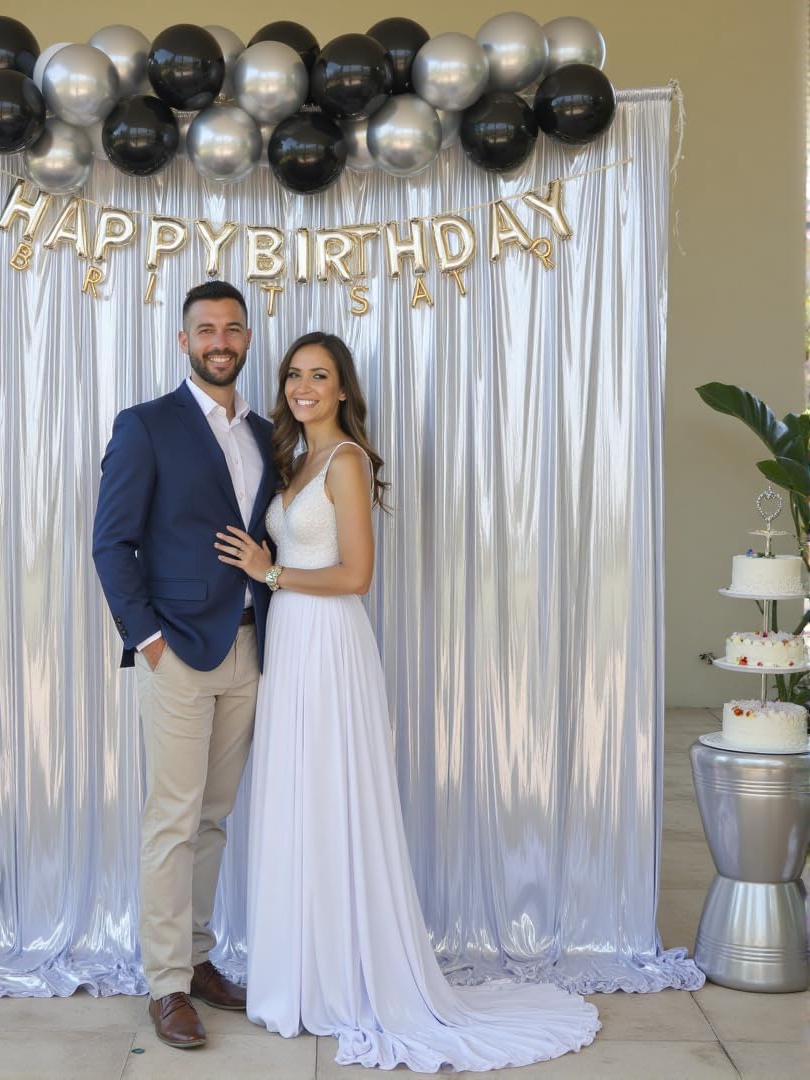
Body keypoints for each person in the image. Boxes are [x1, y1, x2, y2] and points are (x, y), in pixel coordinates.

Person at [217, 332, 601, 1073]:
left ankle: (345, 975)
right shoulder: (291, 461)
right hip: (290, 643)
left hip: (329, 641)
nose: (303, 387)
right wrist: (271, 580)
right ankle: (301, 973)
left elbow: (356, 575)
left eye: (319, 375)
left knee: (333, 795)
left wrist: (271, 574)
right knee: (297, 795)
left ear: (343, 389)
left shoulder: (347, 461)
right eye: (294, 374)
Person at [92, 281, 277, 1050]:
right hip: (177, 651)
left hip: (252, 648)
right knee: (172, 817)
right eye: (206, 329)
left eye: (232, 328)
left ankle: (198, 960)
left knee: (212, 816)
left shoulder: (267, 432)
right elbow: (112, 542)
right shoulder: (146, 425)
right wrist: (148, 641)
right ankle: (166, 984)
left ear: (247, 338)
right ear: (184, 341)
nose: (220, 341)